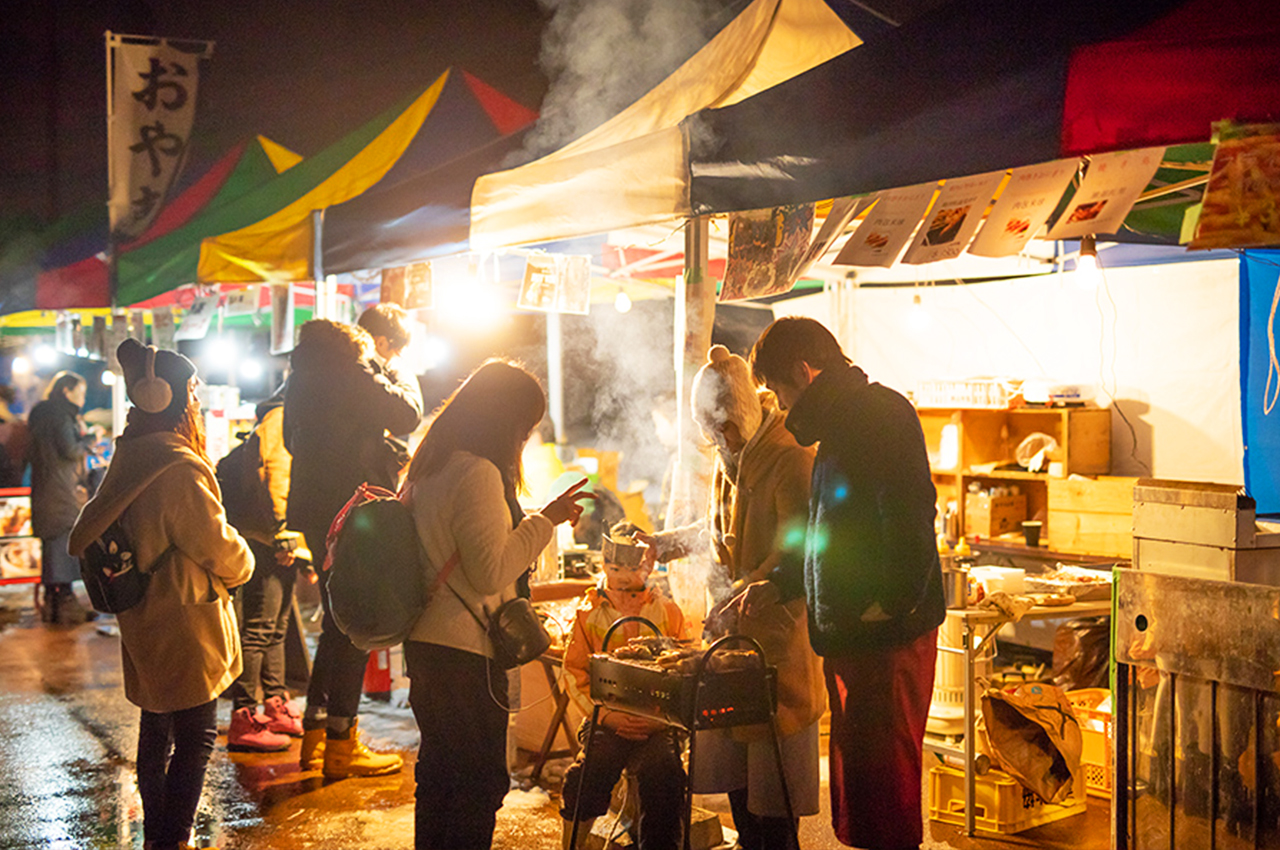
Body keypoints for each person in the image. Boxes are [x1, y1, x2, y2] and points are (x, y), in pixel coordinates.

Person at [742, 317, 945, 850]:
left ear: (804, 371)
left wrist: (887, 606)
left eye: (780, 392)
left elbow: (910, 513)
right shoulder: (838, 427)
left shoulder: (881, 413)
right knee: (861, 783)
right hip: (855, 634)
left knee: (885, 785)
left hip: (888, 636)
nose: (781, 409)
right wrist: (783, 581)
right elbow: (828, 529)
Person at [401, 359, 593, 850]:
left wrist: (532, 519)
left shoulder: (431, 466)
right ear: (506, 421)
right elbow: (490, 571)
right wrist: (544, 520)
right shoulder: (478, 472)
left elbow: (467, 546)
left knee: (441, 777)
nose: (523, 440)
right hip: (465, 653)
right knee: (478, 785)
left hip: (427, 645)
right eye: (524, 428)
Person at [69, 339, 252, 850]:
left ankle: (159, 836)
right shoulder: (177, 468)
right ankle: (172, 839)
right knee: (195, 738)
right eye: (191, 389)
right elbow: (219, 547)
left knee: (157, 727)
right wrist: (247, 561)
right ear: (167, 397)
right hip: (186, 617)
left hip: (143, 615)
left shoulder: (128, 456)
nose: (195, 398)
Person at [648, 345, 824, 850]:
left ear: (741, 412)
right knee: (742, 795)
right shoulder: (733, 456)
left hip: (778, 642)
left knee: (775, 803)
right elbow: (718, 532)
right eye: (709, 430)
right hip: (731, 645)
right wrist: (666, 544)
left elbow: (797, 547)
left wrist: (748, 591)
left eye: (721, 427)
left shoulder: (790, 456)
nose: (716, 439)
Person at [284, 317, 423, 778]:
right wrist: (394, 370)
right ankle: (342, 745)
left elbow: (290, 441)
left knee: (335, 622)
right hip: (351, 510)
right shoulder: (350, 369)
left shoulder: (300, 378)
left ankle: (317, 736)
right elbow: (407, 413)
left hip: (311, 508)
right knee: (357, 620)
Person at [560, 522, 688, 850]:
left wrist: (662, 719)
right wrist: (605, 717)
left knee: (665, 773)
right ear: (603, 565)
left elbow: (685, 673)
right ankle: (572, 844)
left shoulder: (667, 612)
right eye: (614, 567)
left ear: (647, 567)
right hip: (607, 720)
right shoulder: (589, 615)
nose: (622, 576)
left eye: (632, 568)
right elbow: (574, 673)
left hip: (659, 724)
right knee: (590, 770)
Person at [225, 386, 307, 752]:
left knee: (276, 626)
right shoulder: (280, 419)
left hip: (273, 535)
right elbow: (276, 474)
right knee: (260, 627)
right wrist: (283, 532)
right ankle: (244, 716)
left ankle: (274, 703)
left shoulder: (284, 418)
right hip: (268, 538)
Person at [28, 370, 98, 625]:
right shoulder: (61, 415)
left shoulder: (41, 413)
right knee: (61, 544)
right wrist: (90, 439)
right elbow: (69, 450)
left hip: (44, 488)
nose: (82, 398)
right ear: (67, 391)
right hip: (60, 491)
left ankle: (55, 605)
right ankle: (65, 606)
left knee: (53, 546)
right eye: (80, 393)